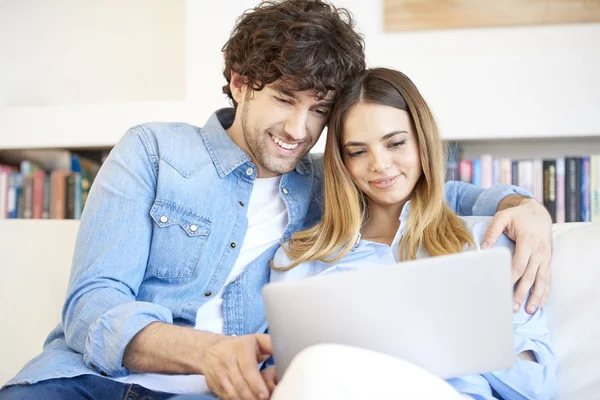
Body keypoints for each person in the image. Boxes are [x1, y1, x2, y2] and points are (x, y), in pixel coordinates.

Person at [0, 1, 552, 400]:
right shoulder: (155, 150)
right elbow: (91, 305)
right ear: (239, 84)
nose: (298, 128)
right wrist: (207, 352)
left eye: (319, 110)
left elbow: (417, 186)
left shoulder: (326, 187)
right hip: (83, 383)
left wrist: (524, 205)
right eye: (284, 99)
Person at [266, 67, 556, 399]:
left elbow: (537, 388)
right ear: (341, 162)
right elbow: (289, 377)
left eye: (396, 143)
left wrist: (452, 330)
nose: (380, 164)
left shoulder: (486, 242)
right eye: (358, 151)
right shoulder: (299, 259)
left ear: (422, 140)